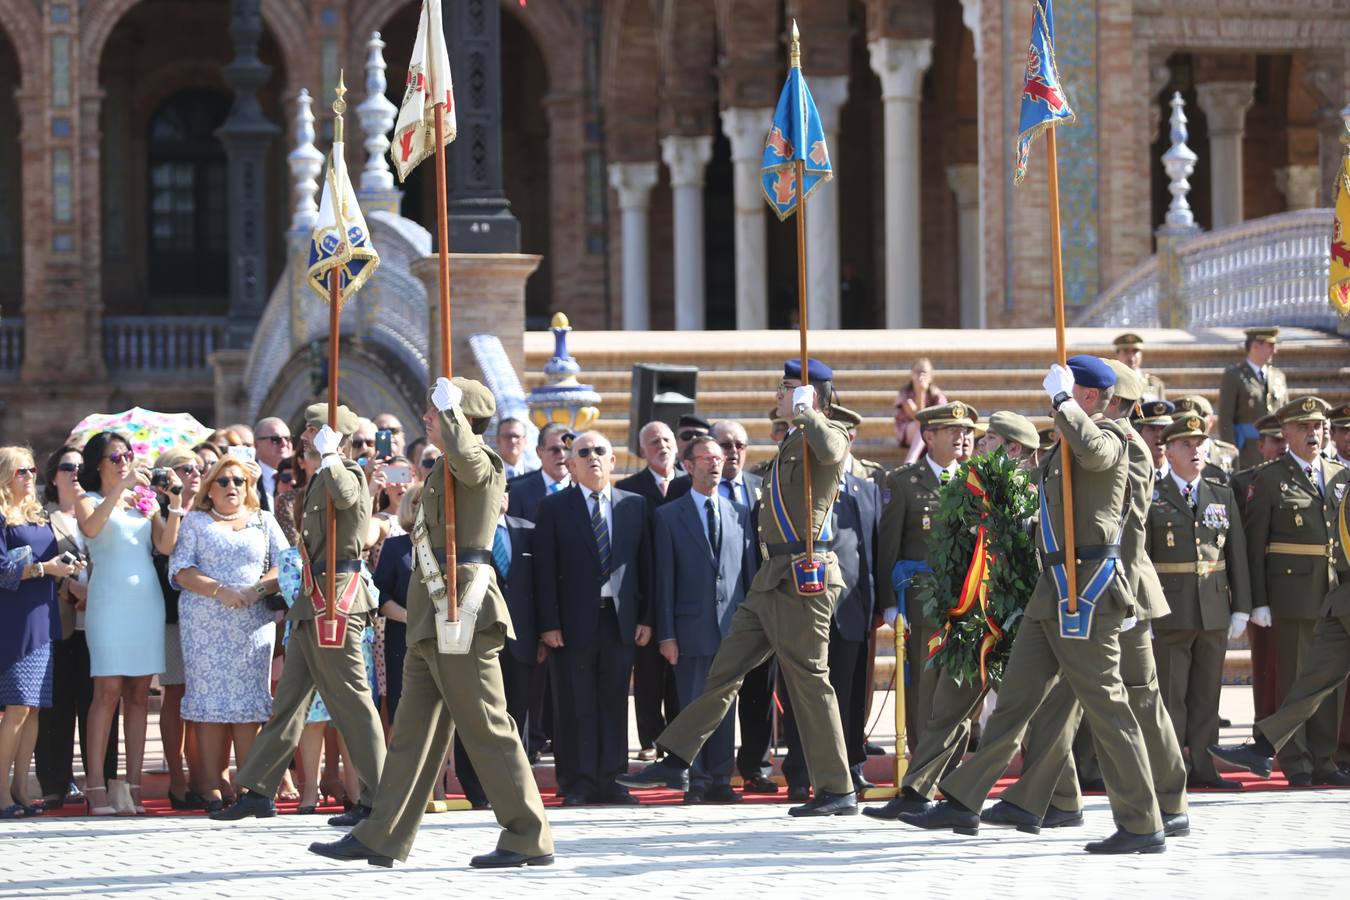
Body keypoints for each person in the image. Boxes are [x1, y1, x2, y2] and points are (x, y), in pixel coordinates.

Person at [901, 356, 1167, 855]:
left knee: (1107, 706)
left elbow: (1095, 452)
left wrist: (1064, 403)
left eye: (1070, 390)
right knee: (1017, 699)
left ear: (1088, 396)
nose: (1056, 398)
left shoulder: (1113, 436)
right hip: (1054, 588)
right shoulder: (1070, 437)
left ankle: (1142, 821)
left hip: (1085, 589)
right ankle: (965, 798)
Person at [311, 376, 555, 869]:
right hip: (431, 615)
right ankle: (381, 833)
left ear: (462, 419)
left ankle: (528, 833)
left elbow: (469, 460)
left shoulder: (481, 461)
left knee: (486, 724)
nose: (426, 416)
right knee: (412, 733)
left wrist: (451, 417)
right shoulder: (446, 465)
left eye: (437, 410)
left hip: (461, 608)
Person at [622, 358, 858, 818]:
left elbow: (834, 450)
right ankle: (677, 756)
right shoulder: (793, 440)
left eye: (786, 388)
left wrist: (811, 413)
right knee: (722, 671)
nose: (778, 394)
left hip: (805, 577)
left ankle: (837, 787)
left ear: (811, 395)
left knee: (810, 682)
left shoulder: (822, 433)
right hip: (772, 578)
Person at [211, 404, 386, 825]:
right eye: (307, 430)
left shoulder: (348, 473)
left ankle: (382, 796)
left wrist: (331, 457)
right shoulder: (321, 476)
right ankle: (258, 788)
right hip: (313, 598)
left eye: (314, 430)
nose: (306, 436)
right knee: (289, 702)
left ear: (335, 438)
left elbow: (347, 498)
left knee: (353, 702)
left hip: (337, 600)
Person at [865, 412, 1039, 822]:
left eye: (989, 439)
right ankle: (919, 791)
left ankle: (1056, 797)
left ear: (1013, 449)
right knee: (947, 705)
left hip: (1009, 620)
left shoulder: (1028, 494)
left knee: (1027, 714)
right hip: (968, 616)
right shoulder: (970, 487)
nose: (978, 444)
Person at [1227, 396, 1347, 785]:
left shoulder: (1340, 475)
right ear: (1287, 433)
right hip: (1292, 595)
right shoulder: (1270, 477)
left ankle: (1325, 758)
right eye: (1303, 428)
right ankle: (1296, 763)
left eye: (1317, 427)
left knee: (1330, 684)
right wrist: (1257, 601)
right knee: (1296, 680)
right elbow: (1254, 544)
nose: (1312, 434)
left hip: (1337, 593)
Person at [536, 429, 654, 806]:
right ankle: (578, 782)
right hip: (570, 625)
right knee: (574, 703)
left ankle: (612, 779)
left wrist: (647, 617)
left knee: (615, 701)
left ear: (613, 460)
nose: (592, 457)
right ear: (570, 465)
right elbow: (544, 569)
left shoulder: (632, 505)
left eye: (600, 450)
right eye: (583, 452)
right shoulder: (554, 508)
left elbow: (645, 567)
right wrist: (548, 623)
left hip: (619, 620)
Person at [171, 455, 288, 810]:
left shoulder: (263, 521)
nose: (232, 487)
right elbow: (180, 570)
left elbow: (285, 564)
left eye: (239, 481)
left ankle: (250, 787)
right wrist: (221, 590)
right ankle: (211, 789)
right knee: (209, 705)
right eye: (223, 481)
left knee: (249, 705)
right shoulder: (195, 521)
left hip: (252, 622)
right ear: (210, 488)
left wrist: (257, 591)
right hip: (205, 621)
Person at [75, 432, 183, 816]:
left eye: (127, 455)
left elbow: (166, 546)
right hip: (108, 601)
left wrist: (174, 504)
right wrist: (121, 488)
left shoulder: (143, 500)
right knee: (106, 690)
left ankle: (134, 787)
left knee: (139, 694)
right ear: (98, 464)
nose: (124, 462)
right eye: (115, 457)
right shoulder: (87, 500)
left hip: (146, 601)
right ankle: (95, 786)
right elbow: (91, 530)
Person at [780, 405, 882, 797]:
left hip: (851, 606)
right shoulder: (800, 482)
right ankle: (802, 770)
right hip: (806, 605)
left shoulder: (866, 488)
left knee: (850, 692)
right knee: (803, 693)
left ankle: (850, 764)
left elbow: (872, 550)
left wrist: (878, 604)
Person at [1148, 415, 1252, 789]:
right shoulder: (1153, 495)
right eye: (1187, 445)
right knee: (1172, 697)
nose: (1196, 451)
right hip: (1170, 611)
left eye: (1200, 444)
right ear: (1169, 451)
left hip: (1213, 610)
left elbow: (1236, 553)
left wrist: (1242, 605)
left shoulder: (1219, 492)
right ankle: (1172, 772)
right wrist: (1143, 611)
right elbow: (1142, 557)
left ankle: (1207, 768)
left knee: (1208, 696)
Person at [652, 436, 755, 803]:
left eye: (720, 457)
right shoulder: (668, 515)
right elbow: (662, 580)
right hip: (689, 627)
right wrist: (666, 634)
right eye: (707, 458)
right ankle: (694, 779)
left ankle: (720, 779)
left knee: (726, 705)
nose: (716, 463)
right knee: (694, 703)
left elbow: (749, 575)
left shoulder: (740, 513)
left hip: (732, 628)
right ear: (688, 465)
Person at [877, 401, 977, 748]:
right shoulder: (905, 482)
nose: (962, 437)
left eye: (966, 431)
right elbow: (888, 546)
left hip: (966, 602)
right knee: (924, 685)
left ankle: (951, 763)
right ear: (929, 436)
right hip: (923, 603)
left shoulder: (973, 480)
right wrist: (888, 602)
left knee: (961, 685)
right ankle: (922, 762)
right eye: (953, 431)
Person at [0, 447, 84, 818]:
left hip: (44, 615)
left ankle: (20, 787)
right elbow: (3, 570)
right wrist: (43, 570)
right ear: (4, 475)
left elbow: (47, 560)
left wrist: (64, 567)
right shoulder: (2, 517)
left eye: (32, 469)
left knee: (33, 709)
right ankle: (1, 791)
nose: (29, 476)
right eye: (22, 470)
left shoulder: (37, 514)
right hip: (14, 619)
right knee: (16, 708)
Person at [35, 446, 119, 810]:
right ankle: (54, 783)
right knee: (58, 707)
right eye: (67, 466)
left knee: (102, 701)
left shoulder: (103, 511)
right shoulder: (42, 518)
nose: (74, 472)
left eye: (81, 468)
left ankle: (103, 780)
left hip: (103, 620)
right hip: (64, 620)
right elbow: (34, 565)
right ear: (53, 476)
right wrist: (68, 588)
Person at [454, 488, 540, 808]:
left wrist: (543, 634)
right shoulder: (463, 534)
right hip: (477, 638)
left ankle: (513, 784)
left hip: (521, 640)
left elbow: (539, 586)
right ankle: (475, 787)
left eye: (502, 490)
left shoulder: (528, 531)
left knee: (515, 714)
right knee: (476, 713)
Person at [616, 421, 681, 761]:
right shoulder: (629, 490)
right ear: (642, 451)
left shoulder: (690, 484)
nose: (662, 446)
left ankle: (678, 740)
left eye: (667, 439)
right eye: (654, 441)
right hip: (646, 596)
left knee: (680, 675)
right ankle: (650, 739)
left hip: (684, 595)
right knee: (648, 674)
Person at [150, 446, 206, 808]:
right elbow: (167, 548)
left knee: (199, 694)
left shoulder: (207, 509)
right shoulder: (156, 510)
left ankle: (204, 775)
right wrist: (174, 505)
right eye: (187, 468)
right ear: (168, 476)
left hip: (205, 613)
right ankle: (177, 777)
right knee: (175, 692)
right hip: (171, 611)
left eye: (199, 467)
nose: (196, 473)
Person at [371, 485, 419, 723]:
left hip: (443, 639)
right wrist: (409, 617)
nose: (421, 508)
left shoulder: (450, 546)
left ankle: (446, 763)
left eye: (428, 502)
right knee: (402, 711)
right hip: (402, 637)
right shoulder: (395, 546)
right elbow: (379, 594)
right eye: (415, 503)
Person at [1218, 327, 1288, 470]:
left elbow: (1287, 414)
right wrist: (1231, 453)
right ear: (1255, 346)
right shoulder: (1234, 376)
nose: (1274, 351)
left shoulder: (1278, 376)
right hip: (1247, 452)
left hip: (1277, 451)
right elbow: (1225, 418)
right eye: (1270, 346)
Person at [506, 423, 571, 522]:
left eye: (566, 449)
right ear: (539, 452)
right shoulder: (516, 491)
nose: (562, 455)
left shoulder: (584, 486)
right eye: (555, 450)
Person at [1171, 395, 1238, 482]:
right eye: (1183, 419)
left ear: (1211, 421)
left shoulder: (1229, 453)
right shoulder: (1166, 452)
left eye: (1201, 416)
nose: (1193, 422)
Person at [893, 358, 947, 464]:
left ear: (931, 376)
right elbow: (919, 418)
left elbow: (941, 416)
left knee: (928, 427)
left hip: (932, 432)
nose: (920, 375)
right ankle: (910, 461)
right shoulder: (905, 394)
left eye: (924, 372)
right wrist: (920, 393)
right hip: (908, 431)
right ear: (911, 374)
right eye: (917, 372)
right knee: (921, 426)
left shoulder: (936, 395)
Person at [254, 417, 294, 513]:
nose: (284, 443)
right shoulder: (247, 476)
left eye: (288, 438)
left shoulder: (302, 472)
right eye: (276, 439)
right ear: (256, 444)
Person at [1112, 333, 1166, 403]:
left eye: (1135, 351)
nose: (1131, 357)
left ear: (1141, 354)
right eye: (1125, 351)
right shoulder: (1111, 383)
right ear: (1117, 355)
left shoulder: (1154, 384)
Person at [1134, 400, 1175, 479]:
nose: (1159, 434)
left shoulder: (1180, 472)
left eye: (1163, 428)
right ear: (1139, 435)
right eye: (1152, 429)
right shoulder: (1132, 472)